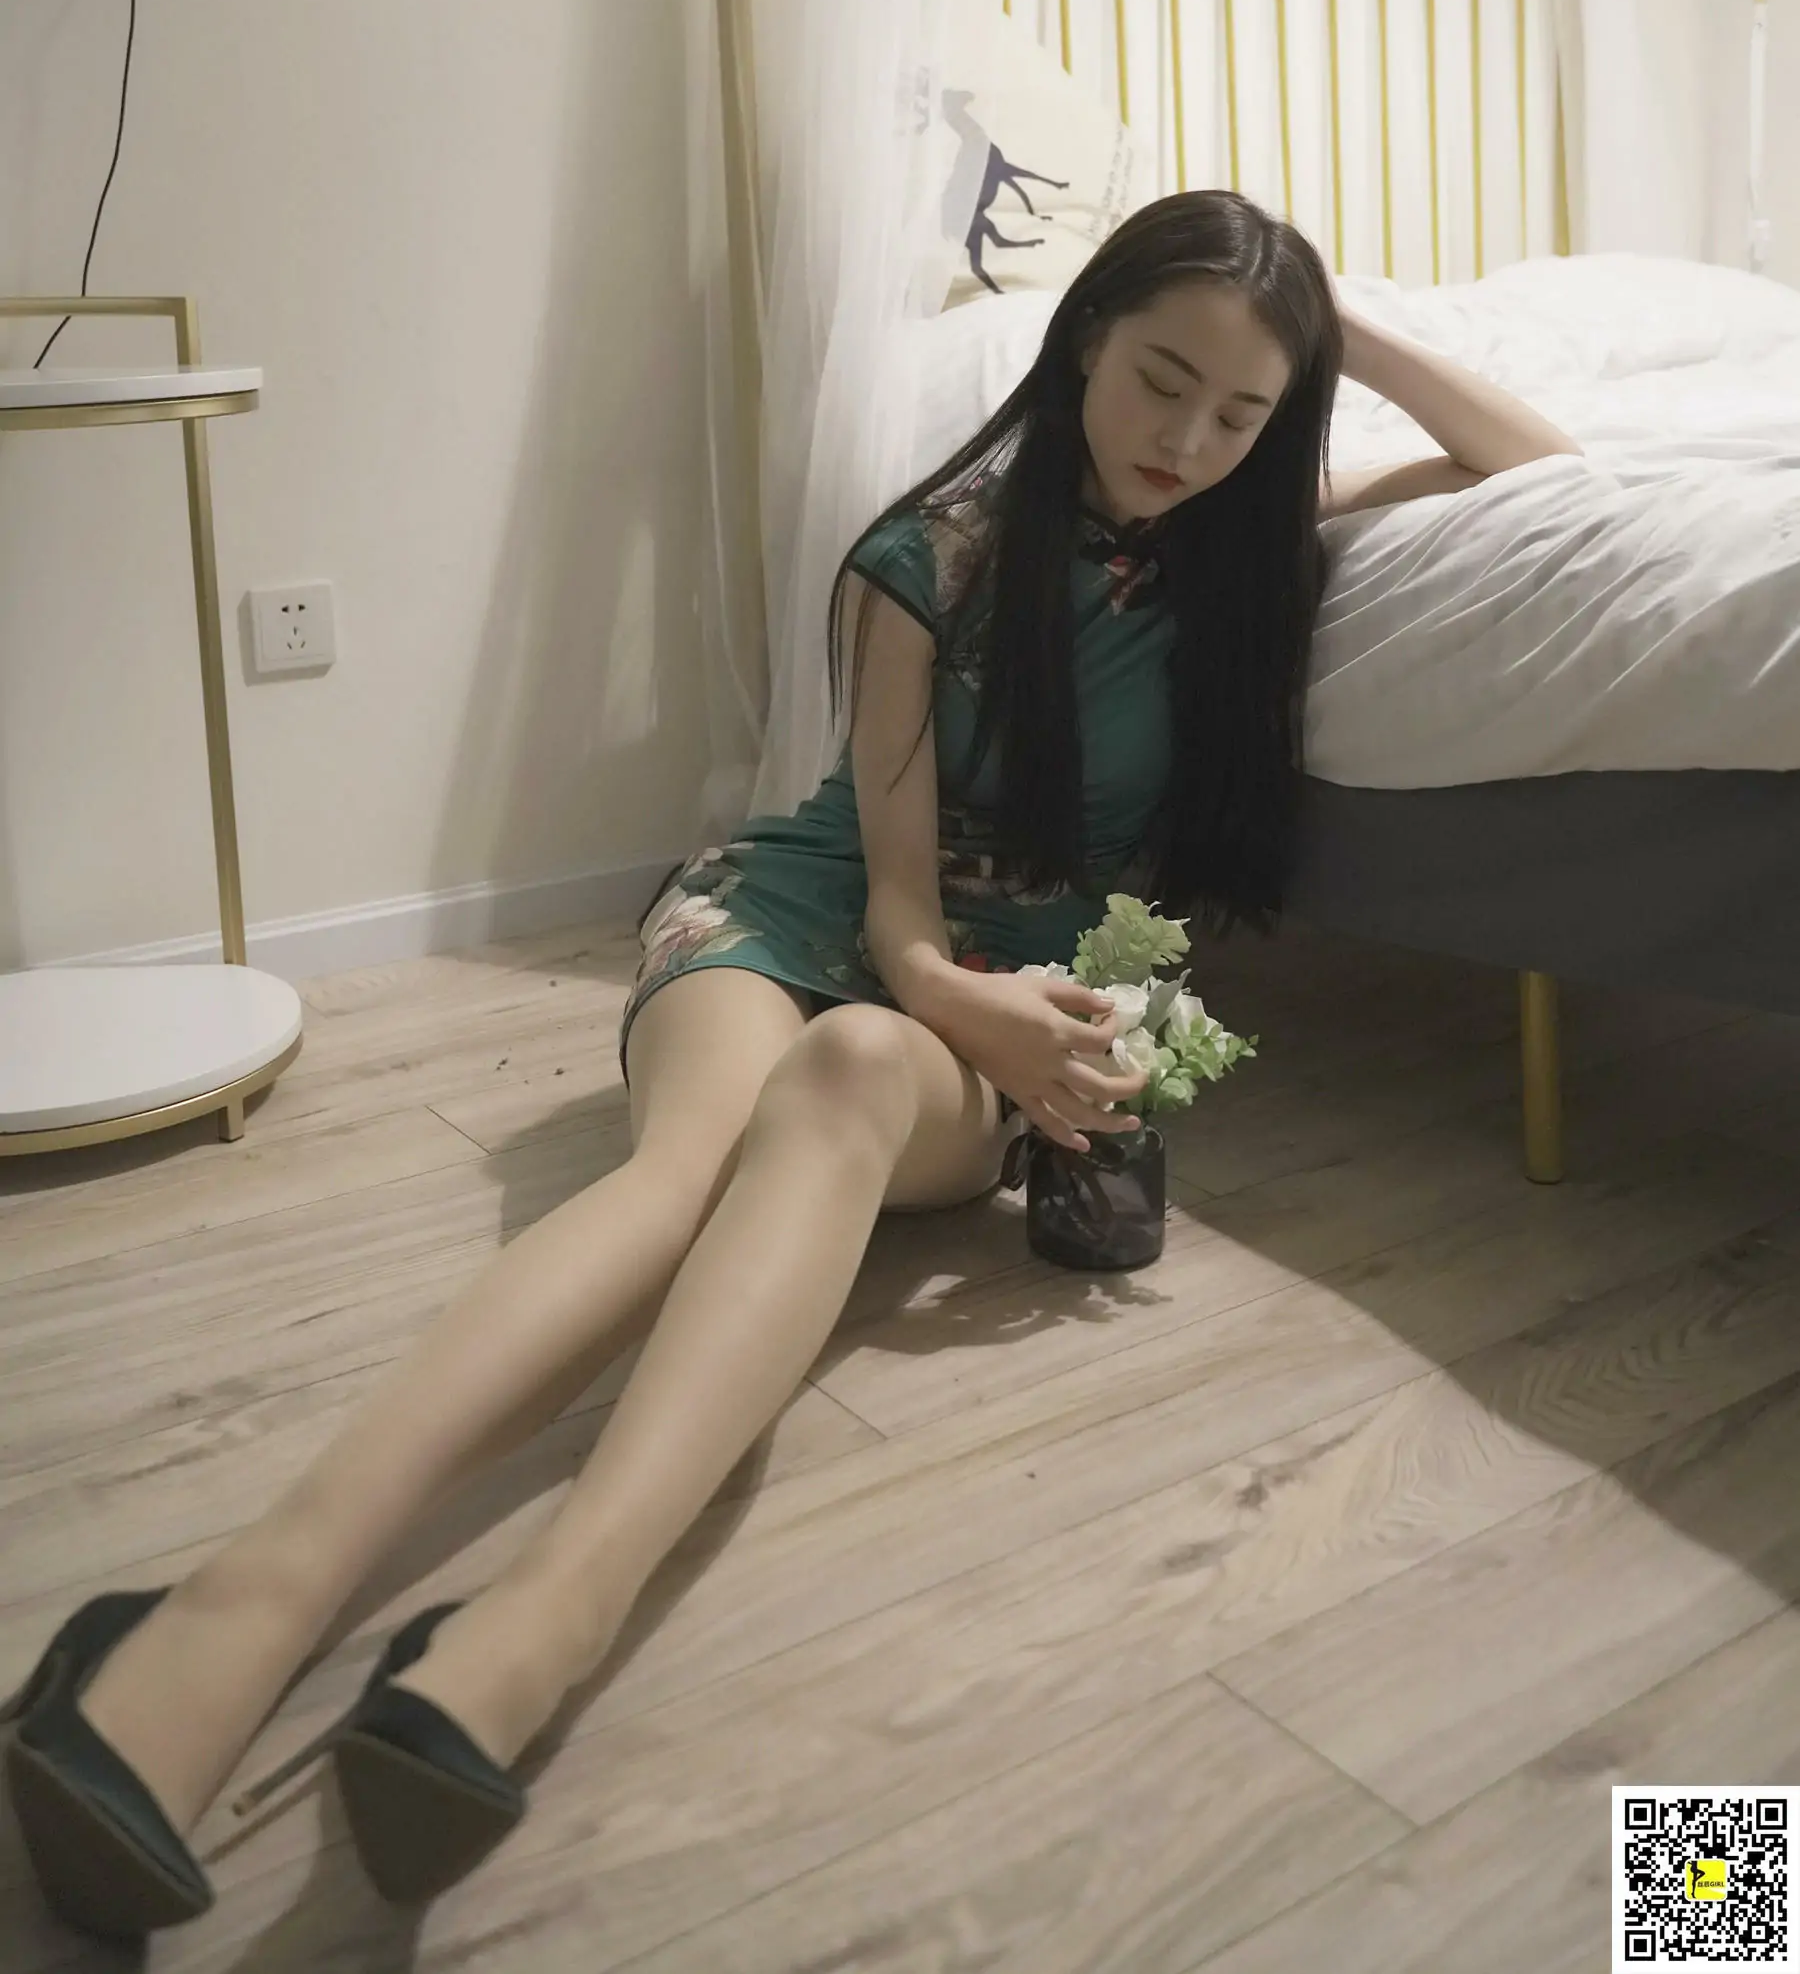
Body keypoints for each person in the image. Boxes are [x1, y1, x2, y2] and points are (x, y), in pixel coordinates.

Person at [1, 190, 1581, 1933]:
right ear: (1082, 339)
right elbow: (897, 914)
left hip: (989, 999)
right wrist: (958, 1000)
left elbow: (1541, 464)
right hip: (816, 914)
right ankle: (227, 1613)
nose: (1188, 441)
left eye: (1241, 412)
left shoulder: (1244, 553)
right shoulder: (925, 557)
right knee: (684, 1170)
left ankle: (546, 1614)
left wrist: (1339, 335)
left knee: (845, 1082)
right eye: (1161, 380)